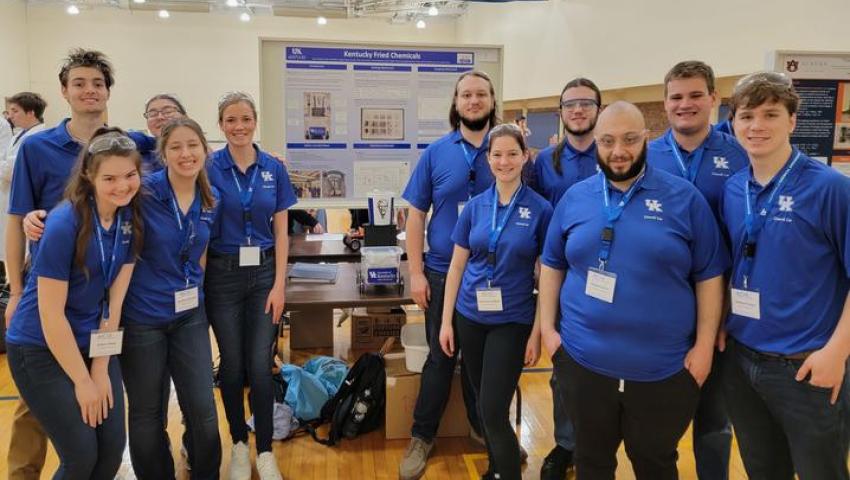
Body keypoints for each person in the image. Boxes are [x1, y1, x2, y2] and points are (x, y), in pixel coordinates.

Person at [539, 101, 727, 479]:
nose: (618, 151)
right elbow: (552, 264)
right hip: (583, 364)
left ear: (646, 139)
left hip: (663, 371)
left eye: (629, 139)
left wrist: (705, 346)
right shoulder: (576, 197)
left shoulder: (684, 198)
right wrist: (547, 331)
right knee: (592, 462)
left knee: (655, 464)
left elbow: (709, 276)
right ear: (596, 141)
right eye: (607, 141)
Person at [5, 48, 152, 480]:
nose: (121, 184)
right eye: (110, 178)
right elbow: (17, 221)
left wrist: (100, 367)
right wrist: (15, 290)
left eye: (129, 176)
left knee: (108, 452)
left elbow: (114, 303)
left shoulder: (129, 214)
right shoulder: (60, 216)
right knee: (79, 452)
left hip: (91, 333)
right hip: (44, 331)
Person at [719, 71, 850, 480]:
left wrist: (837, 353)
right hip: (742, 361)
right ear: (733, 124)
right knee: (763, 470)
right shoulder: (733, 189)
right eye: (747, 116)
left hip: (806, 367)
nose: (756, 126)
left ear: (792, 121)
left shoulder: (830, 189)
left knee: (821, 472)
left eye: (770, 115)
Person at [647, 60, 749, 480]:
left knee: (713, 419)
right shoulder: (646, 156)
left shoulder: (740, 154)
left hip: (719, 303)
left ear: (713, 99)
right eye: (676, 97)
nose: (684, 104)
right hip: (659, 306)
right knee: (657, 419)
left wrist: (725, 310)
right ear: (665, 103)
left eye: (694, 95)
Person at [439, 123, 552, 480]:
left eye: (512, 154)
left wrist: (537, 333)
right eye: (497, 154)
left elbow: (546, 277)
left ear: (525, 156)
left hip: (513, 320)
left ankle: (507, 472)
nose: (505, 162)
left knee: (491, 408)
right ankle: (496, 469)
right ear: (488, 159)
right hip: (469, 317)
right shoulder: (475, 207)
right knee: (482, 402)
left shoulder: (540, 210)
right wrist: (446, 322)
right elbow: (457, 267)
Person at [399, 70, 496, 480]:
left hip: (491, 278)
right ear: (456, 103)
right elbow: (416, 215)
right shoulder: (436, 153)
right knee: (441, 358)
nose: (473, 101)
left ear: (492, 100)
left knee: (481, 360)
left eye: (481, 94)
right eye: (466, 95)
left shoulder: (505, 150)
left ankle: (484, 427)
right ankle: (422, 436)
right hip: (440, 273)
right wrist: (416, 273)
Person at [119, 117, 221, 479]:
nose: (185, 153)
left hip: (189, 315)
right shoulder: (141, 193)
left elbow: (201, 250)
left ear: (205, 150)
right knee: (147, 413)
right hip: (142, 318)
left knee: (203, 409)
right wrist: (35, 218)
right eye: (175, 146)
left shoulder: (211, 197)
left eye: (192, 145)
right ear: (162, 154)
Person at [205, 92, 296, 480]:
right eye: (230, 120)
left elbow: (281, 231)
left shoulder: (273, 167)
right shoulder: (208, 167)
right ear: (221, 125)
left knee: (260, 365)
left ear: (255, 122)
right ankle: (239, 444)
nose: (239, 126)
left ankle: (265, 450)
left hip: (263, 275)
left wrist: (279, 285)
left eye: (245, 119)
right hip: (222, 275)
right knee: (231, 364)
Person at [531, 77, 602, 480]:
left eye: (586, 103)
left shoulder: (612, 154)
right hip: (560, 275)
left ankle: (599, 443)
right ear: (561, 112)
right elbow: (536, 214)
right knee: (563, 365)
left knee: (605, 364)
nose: (577, 110)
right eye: (570, 104)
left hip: (607, 274)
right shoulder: (545, 162)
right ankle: (567, 444)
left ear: (598, 109)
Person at [0, 92, 47, 266]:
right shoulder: (19, 135)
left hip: (27, 201)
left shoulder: (38, 137)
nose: (10, 115)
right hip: (9, 194)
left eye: (15, 111)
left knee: (24, 247)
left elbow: (12, 169)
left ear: (31, 112)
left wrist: (4, 166)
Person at [141, 93, 186, 174]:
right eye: (152, 114)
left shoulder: (201, 153)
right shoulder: (141, 156)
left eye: (168, 111)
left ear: (184, 116)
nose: (160, 117)